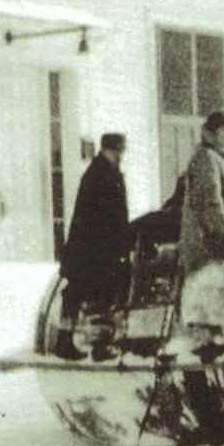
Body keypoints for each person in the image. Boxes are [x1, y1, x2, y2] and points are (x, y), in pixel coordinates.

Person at [178, 110, 224, 333]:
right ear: (219, 131)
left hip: (219, 238)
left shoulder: (219, 157)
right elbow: (210, 202)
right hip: (210, 240)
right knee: (212, 294)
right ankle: (208, 342)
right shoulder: (206, 158)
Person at [57, 133, 130, 359]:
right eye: (119, 151)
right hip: (96, 249)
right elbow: (110, 215)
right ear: (111, 149)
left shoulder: (98, 171)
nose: (121, 155)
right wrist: (119, 243)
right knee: (99, 296)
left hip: (87, 248)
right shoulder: (104, 174)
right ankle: (98, 345)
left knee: (77, 295)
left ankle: (66, 340)